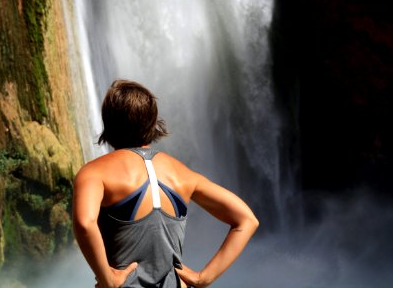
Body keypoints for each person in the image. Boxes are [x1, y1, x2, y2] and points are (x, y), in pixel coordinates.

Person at [73, 80, 259, 287]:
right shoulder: (183, 175)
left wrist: (108, 278)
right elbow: (247, 219)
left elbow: (84, 223)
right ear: (153, 123)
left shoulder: (94, 172)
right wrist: (203, 278)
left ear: (108, 123)